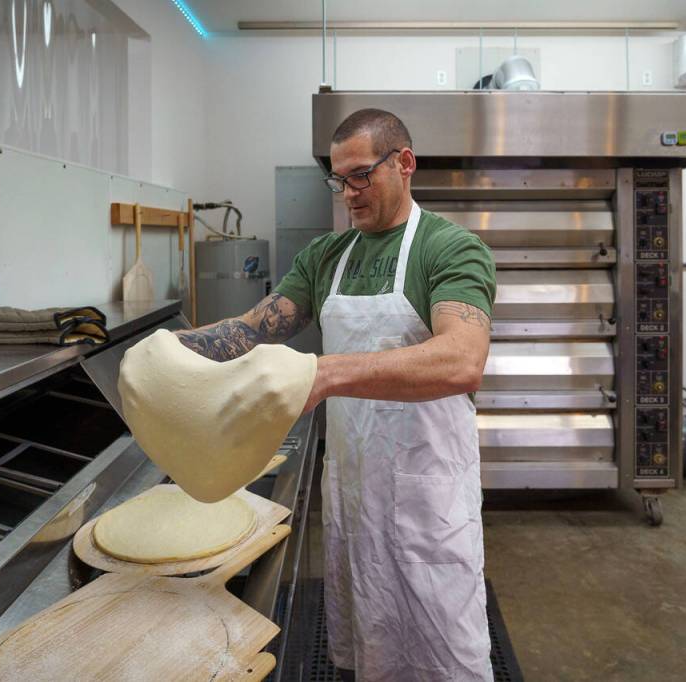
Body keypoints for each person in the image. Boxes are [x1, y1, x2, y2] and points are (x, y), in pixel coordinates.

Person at [176, 108, 495, 681]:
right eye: (339, 178)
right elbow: (252, 330)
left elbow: (462, 359)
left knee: (443, 646)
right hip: (352, 492)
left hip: (428, 498)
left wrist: (325, 373)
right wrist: (170, 350)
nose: (348, 192)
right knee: (368, 640)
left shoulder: (450, 249)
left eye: (361, 175)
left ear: (405, 163)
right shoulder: (326, 257)